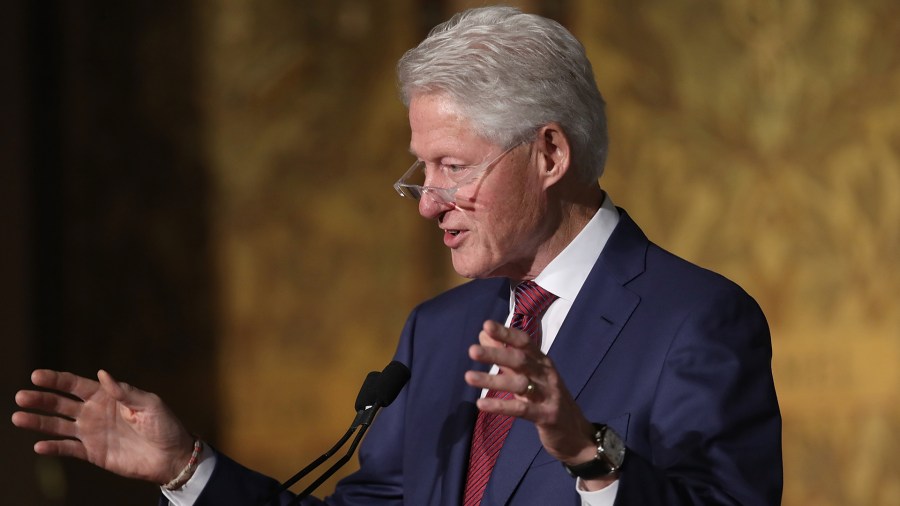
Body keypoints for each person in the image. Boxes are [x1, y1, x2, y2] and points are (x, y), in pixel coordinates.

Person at [12, 6, 782, 505]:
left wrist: (590, 455)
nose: (428, 201)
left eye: (453, 166)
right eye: (422, 170)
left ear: (549, 153)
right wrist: (189, 469)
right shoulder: (439, 333)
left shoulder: (699, 320)